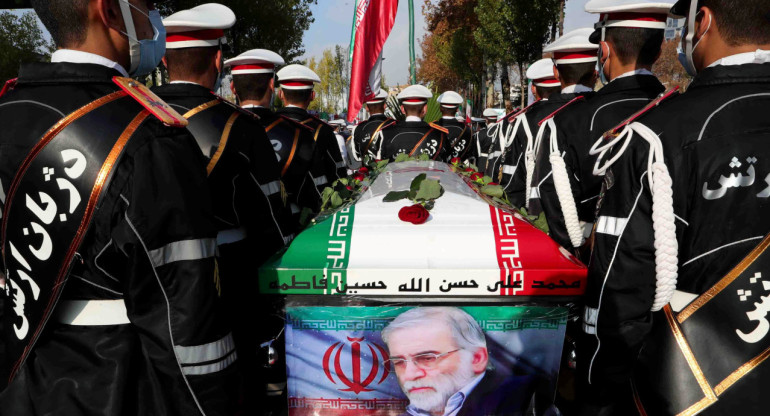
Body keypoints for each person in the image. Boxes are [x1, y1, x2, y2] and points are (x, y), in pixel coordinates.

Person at [0, 0, 238, 415]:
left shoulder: (9, 109)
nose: (154, 21)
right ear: (109, 11)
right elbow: (187, 324)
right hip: (120, 388)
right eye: (146, 6)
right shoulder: (150, 138)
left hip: (17, 384)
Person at [580, 0, 770, 414]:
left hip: (694, 391)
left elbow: (621, 297)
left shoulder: (655, 136)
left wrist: (602, 395)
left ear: (703, 21)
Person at [154, 5, 296, 414]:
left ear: (164, 58)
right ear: (218, 60)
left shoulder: (133, 115)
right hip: (228, 276)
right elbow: (270, 221)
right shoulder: (241, 128)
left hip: (148, 278)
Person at [535, 0, 670, 253]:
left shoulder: (568, 121)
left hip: (595, 260)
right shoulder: (681, 109)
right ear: (660, 51)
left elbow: (555, 208)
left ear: (604, 51)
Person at [225, 49, 324, 227]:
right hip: (287, 229)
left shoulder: (219, 126)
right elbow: (313, 195)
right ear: (272, 85)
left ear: (232, 87)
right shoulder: (298, 133)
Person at [381, 307, 535, 416]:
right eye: (399, 362)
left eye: (427, 358)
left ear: (477, 358)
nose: (409, 375)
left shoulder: (525, 398)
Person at [526, 28, 598, 216]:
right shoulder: (611, 110)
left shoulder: (534, 119)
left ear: (556, 73)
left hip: (563, 228)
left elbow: (540, 187)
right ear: (595, 73)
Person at [276, 64, 348, 191]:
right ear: (312, 96)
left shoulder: (265, 125)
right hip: (312, 207)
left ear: (280, 94)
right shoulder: (322, 131)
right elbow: (338, 177)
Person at [499, 58, 562, 198]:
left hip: (536, 204)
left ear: (534, 88)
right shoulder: (581, 110)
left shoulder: (522, 120)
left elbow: (512, 174)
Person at [375, 85, 449, 162]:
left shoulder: (386, 133)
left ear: (402, 109)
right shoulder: (439, 134)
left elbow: (380, 166)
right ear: (425, 108)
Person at [351, 89, 392, 164]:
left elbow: (357, 157)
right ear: (384, 106)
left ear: (366, 108)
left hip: (367, 173)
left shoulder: (358, 128)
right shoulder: (393, 125)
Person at [436, 91, 474, 164]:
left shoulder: (432, 128)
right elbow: (470, 154)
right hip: (459, 172)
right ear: (457, 109)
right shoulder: (466, 130)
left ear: (440, 108)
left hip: (436, 173)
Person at [474, 108, 501, 174]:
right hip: (499, 165)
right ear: (496, 119)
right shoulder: (503, 131)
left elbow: (476, 152)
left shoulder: (480, 134)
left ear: (486, 119)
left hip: (483, 165)